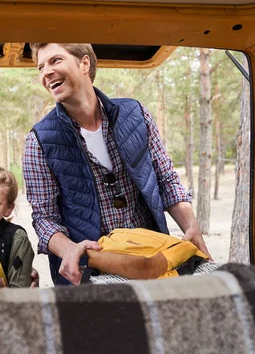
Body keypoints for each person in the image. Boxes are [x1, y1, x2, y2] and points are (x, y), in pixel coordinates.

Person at [23, 43, 212, 286]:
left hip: (151, 260)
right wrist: (70, 249)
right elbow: (44, 218)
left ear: (84, 63)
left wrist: (191, 226)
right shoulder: (38, 140)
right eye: (40, 67)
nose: (45, 72)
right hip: (91, 271)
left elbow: (166, 179)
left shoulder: (136, 114)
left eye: (55, 61)